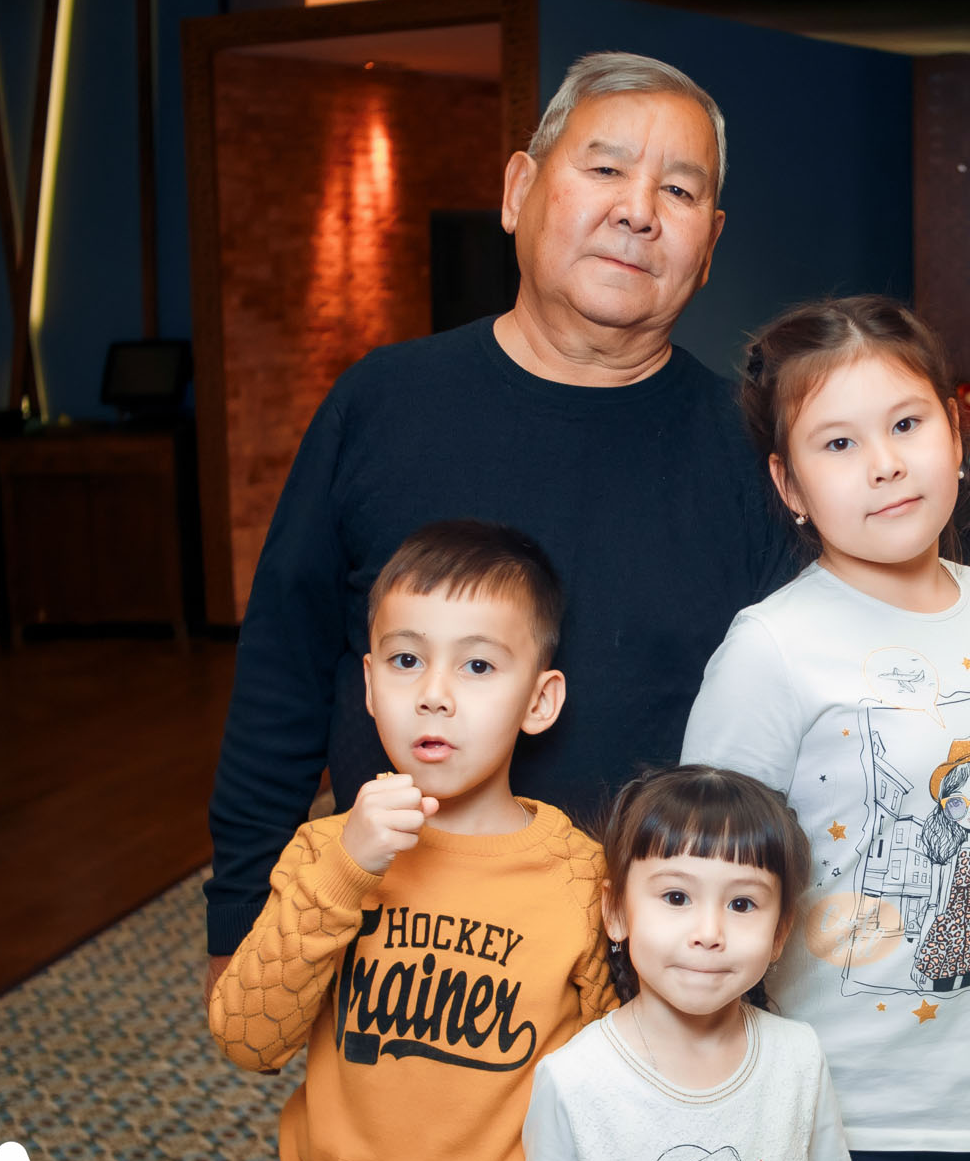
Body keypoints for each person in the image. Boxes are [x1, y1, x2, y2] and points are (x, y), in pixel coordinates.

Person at [203, 51, 796, 1000]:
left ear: (710, 240)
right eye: (605, 169)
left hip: (658, 991)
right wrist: (241, 916)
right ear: (520, 190)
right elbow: (285, 673)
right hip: (402, 972)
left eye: (679, 191)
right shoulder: (381, 405)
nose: (638, 210)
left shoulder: (755, 451)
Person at [679, 296, 970, 1161]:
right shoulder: (772, 646)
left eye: (906, 424)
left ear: (954, 431)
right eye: (838, 442)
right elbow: (700, 876)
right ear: (788, 483)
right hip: (820, 1095)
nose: (885, 463)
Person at [208, 521, 615, 1161]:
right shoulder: (323, 853)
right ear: (368, 686)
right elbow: (249, 1039)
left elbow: (620, 1088)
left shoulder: (579, 878)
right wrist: (346, 871)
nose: (434, 693)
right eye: (406, 660)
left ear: (539, 699)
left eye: (477, 664)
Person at [519, 766, 865, 1161]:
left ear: (779, 933)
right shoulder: (573, 1081)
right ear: (616, 911)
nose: (709, 933)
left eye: (742, 904)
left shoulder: (799, 1056)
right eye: (677, 897)